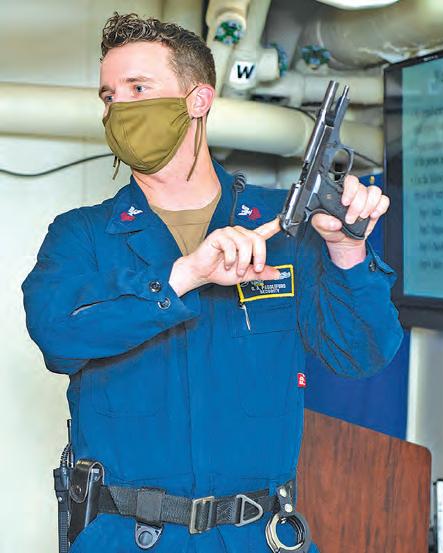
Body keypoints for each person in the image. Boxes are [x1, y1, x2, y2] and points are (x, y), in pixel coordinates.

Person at [22, 12, 403, 553]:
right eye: (109, 96)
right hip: (127, 536)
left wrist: (346, 249)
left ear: (198, 99)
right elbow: (58, 335)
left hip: (259, 536)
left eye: (138, 89)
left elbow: (361, 354)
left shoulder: (283, 227)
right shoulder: (82, 236)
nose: (118, 109)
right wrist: (187, 274)